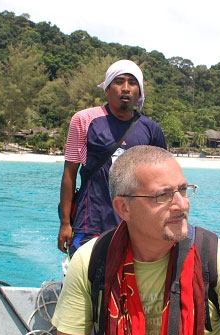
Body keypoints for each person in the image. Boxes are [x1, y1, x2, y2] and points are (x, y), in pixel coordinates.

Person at [48, 145, 220, 335]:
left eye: (183, 189)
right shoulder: (93, 260)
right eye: (163, 195)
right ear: (123, 208)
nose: (182, 204)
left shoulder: (215, 257)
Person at [58, 60, 166, 258]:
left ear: (140, 92)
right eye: (118, 81)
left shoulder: (151, 130)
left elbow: (163, 181)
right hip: (90, 222)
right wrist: (65, 223)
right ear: (107, 89)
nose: (125, 88)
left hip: (135, 226)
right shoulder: (84, 120)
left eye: (132, 83)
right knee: (85, 281)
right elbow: (69, 173)